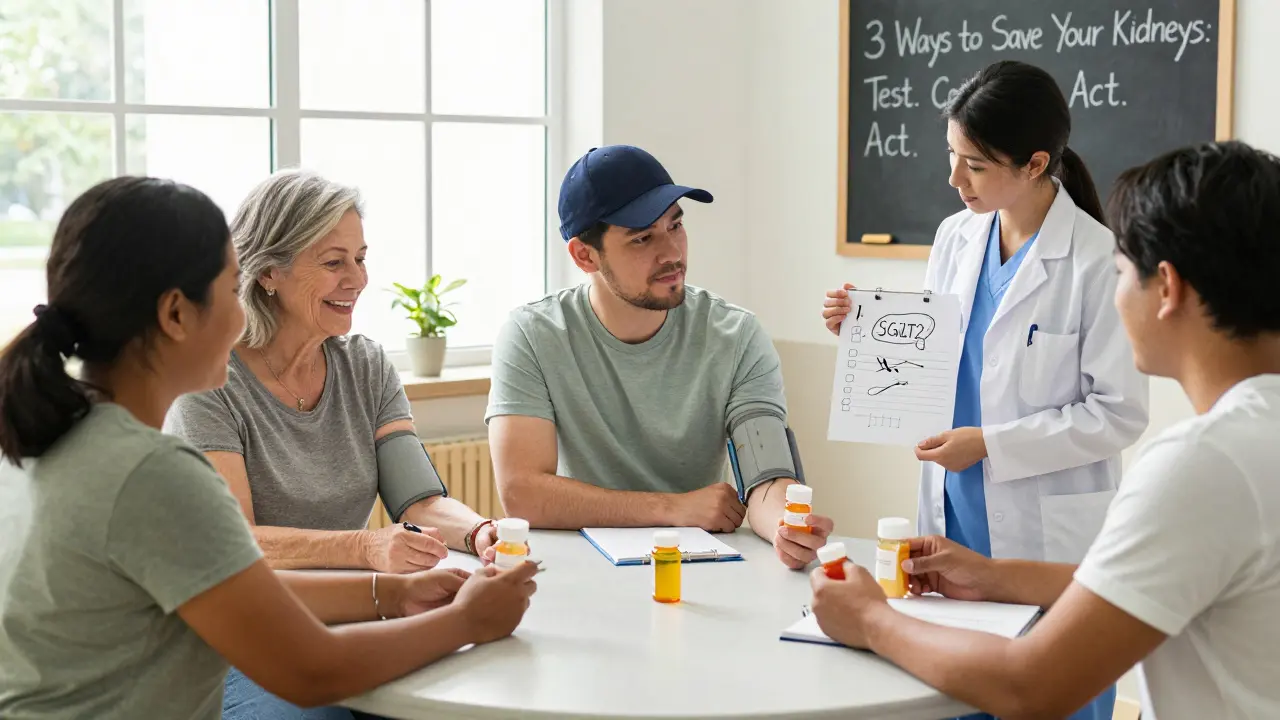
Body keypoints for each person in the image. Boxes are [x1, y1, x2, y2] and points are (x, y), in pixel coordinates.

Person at [0, 177, 538, 719]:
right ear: (176, 315)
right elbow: (311, 671)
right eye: (233, 289)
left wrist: (394, 595)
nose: (241, 313)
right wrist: (469, 620)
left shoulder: (51, 436)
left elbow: (240, 585)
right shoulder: (150, 474)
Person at [810, 139, 1280, 720]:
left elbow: (1029, 687)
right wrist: (990, 575)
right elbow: (1139, 577)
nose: (1113, 290)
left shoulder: (1202, 465)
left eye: (1120, 271)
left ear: (1168, 287)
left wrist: (869, 619)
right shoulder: (1254, 440)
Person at [822, 60, 1149, 720]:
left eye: (973, 164)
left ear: (1033, 164)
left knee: (1050, 697)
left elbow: (1118, 414)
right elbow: (939, 351)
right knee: (952, 696)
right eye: (952, 156)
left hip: (1043, 537)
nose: (953, 179)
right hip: (953, 512)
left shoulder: (1095, 257)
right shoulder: (955, 236)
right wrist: (865, 328)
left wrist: (992, 444)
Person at [486, 145, 831, 570]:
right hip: (575, 567)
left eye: (676, 225)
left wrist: (786, 526)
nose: (672, 253)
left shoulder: (736, 334)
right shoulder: (532, 334)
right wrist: (672, 508)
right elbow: (523, 493)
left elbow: (766, 477)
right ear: (584, 255)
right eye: (643, 238)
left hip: (697, 568)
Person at [165, 169, 501, 578]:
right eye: (333, 262)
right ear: (269, 272)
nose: (357, 279)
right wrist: (363, 547)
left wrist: (479, 530)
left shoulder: (367, 367)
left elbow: (420, 501)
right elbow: (234, 538)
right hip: (251, 608)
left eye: (360, 258)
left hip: (350, 599)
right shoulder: (208, 381)